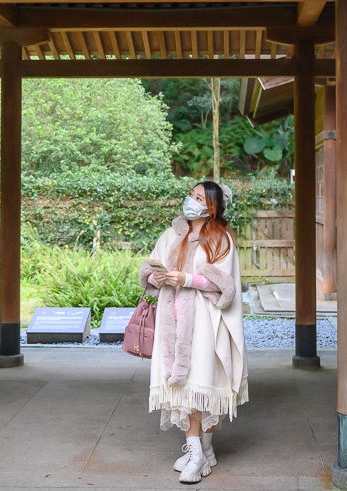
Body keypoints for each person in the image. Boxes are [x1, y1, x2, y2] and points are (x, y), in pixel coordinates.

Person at [139, 181, 248, 484]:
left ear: (211, 206)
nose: (191, 200)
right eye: (191, 194)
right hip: (172, 322)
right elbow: (149, 267)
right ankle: (202, 453)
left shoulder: (220, 238)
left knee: (202, 385)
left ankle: (197, 453)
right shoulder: (172, 234)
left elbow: (225, 285)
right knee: (185, 386)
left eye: (199, 197)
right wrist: (157, 276)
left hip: (204, 323)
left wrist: (187, 279)